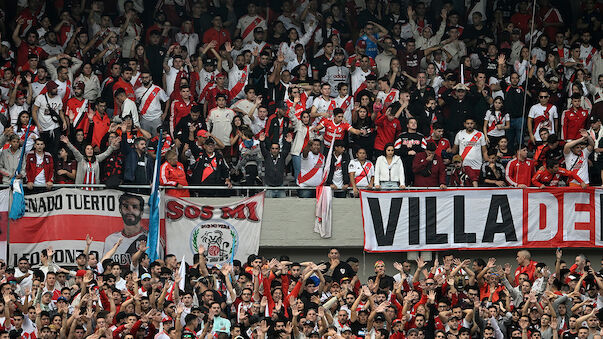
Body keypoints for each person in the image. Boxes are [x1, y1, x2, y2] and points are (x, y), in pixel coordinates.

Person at [102, 193, 152, 266]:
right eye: (126, 206)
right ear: (120, 210)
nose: (130, 210)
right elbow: (104, 265)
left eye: (134, 207)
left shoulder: (150, 239)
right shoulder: (110, 240)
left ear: (141, 212)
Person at [452, 117, 488, 187]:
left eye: (471, 123)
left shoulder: (480, 134)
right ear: (464, 124)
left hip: (477, 166)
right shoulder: (460, 134)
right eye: (468, 123)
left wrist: (487, 160)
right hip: (463, 166)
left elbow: (484, 151)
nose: (469, 125)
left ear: (474, 124)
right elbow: (454, 149)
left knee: (476, 185)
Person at [259, 131, 291, 198]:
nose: (274, 150)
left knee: (283, 206)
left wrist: (288, 142)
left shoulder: (282, 156)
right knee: (268, 206)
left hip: (280, 186)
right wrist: (261, 142)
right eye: (273, 148)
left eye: (276, 149)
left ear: (279, 150)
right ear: (270, 149)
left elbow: (287, 149)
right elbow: (262, 149)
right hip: (269, 187)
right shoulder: (267, 156)